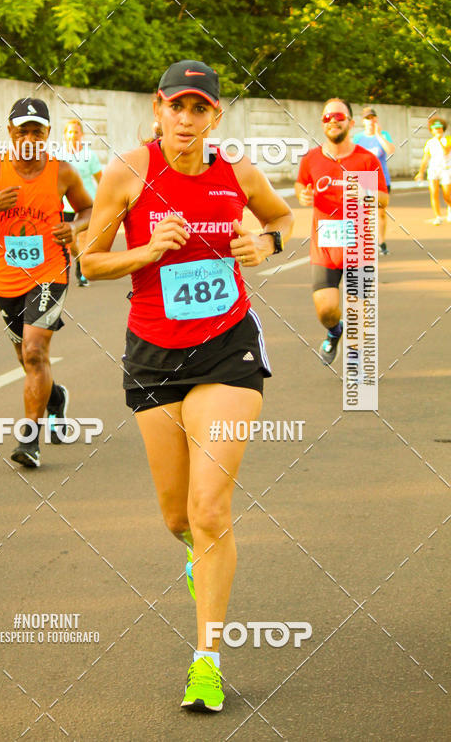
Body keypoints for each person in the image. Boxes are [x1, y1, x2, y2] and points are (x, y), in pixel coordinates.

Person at [81, 60, 293, 713]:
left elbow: (285, 219)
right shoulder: (127, 173)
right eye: (177, 106)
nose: (185, 119)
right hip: (152, 357)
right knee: (177, 516)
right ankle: (200, 557)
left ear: (214, 117)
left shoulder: (238, 174)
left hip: (228, 351)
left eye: (199, 109)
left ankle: (207, 661)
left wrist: (268, 241)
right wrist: (146, 253)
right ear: (158, 107)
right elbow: (89, 260)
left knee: (209, 509)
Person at [0, 98, 93, 467]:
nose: (30, 138)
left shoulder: (62, 172)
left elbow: (88, 208)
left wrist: (74, 227)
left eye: (38, 131)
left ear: (47, 134)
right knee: (24, 356)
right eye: (23, 131)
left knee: (34, 351)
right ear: (10, 133)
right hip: (5, 276)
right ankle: (55, 398)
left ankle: (29, 439)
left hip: (50, 271)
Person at [295, 98, 388, 365]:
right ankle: (335, 331)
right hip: (325, 248)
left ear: (350, 122)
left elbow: (383, 199)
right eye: (326, 117)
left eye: (338, 116)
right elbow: (301, 185)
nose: (332, 121)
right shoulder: (312, 158)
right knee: (325, 310)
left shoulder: (366, 159)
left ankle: (357, 362)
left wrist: (365, 192)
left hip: (360, 247)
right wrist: (303, 194)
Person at [61, 119, 102, 286]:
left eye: (76, 132)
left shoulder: (90, 156)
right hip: (65, 205)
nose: (73, 135)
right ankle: (79, 260)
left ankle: (83, 273)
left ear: (81, 135)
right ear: (65, 135)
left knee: (84, 239)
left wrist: (104, 202)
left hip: (86, 205)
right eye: (69, 132)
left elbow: (101, 180)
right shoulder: (59, 156)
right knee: (68, 240)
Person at [353, 106, 395, 254]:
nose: (370, 121)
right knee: (363, 213)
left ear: (376, 119)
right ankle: (365, 243)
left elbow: (390, 150)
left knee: (380, 212)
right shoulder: (358, 138)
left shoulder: (383, 135)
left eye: (372, 118)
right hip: (363, 180)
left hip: (381, 179)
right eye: (367, 118)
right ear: (363, 121)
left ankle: (381, 243)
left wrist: (378, 135)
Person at [414, 116, 451, 225]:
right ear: (431, 130)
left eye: (439, 128)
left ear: (443, 129)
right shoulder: (429, 143)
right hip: (433, 170)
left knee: (447, 194)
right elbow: (425, 158)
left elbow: (446, 151)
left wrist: (439, 140)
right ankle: (438, 216)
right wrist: (421, 172)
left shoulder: (447, 139)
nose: (438, 130)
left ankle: (449, 208)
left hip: (446, 169)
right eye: (435, 128)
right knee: (434, 193)